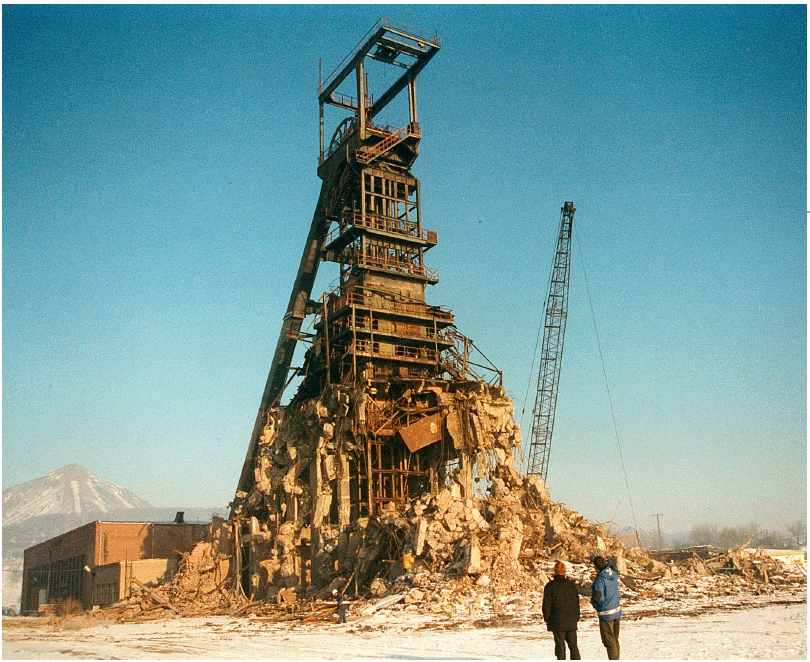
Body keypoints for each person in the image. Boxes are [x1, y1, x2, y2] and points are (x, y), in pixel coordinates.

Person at [542, 561, 581, 660]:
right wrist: (576, 617)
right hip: (571, 620)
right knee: (574, 647)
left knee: (560, 647)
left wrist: (547, 619)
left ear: (555, 571)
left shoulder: (550, 586)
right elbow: (576, 602)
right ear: (565, 571)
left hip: (556, 620)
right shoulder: (571, 585)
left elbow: (546, 605)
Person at [591, 556, 622, 659]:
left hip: (606, 613)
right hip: (616, 611)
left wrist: (595, 605)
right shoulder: (613, 574)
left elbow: (598, 598)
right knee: (615, 640)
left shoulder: (599, 580)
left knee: (609, 642)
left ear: (595, 567)